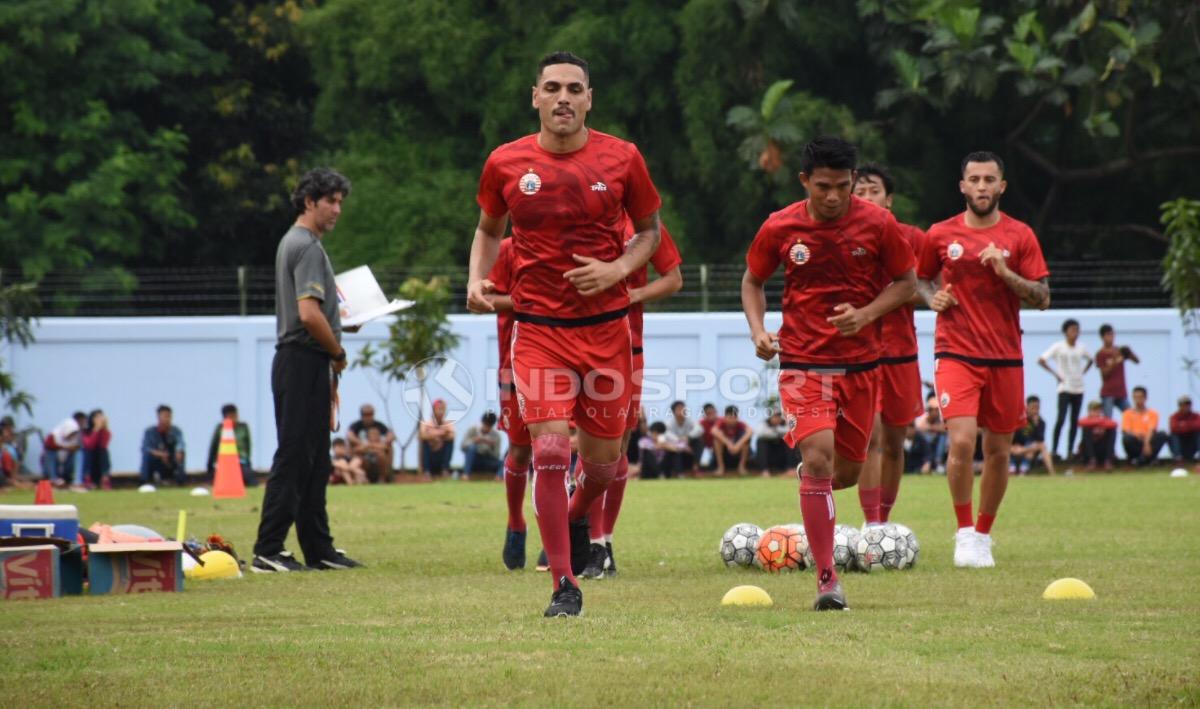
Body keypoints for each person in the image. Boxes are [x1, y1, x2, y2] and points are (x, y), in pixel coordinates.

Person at [466, 51, 663, 617]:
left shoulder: (622, 157)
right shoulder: (505, 163)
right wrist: (478, 279)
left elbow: (649, 234)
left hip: (606, 333)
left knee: (603, 466)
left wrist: (618, 270)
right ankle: (562, 585)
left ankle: (578, 515)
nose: (563, 98)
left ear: (589, 98)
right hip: (539, 333)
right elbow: (486, 230)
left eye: (574, 89)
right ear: (535, 97)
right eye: (552, 88)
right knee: (550, 449)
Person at [742, 136, 916, 611]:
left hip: (862, 367)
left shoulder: (879, 224)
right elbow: (753, 280)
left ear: (854, 182)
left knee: (847, 472)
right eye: (824, 187)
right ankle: (826, 579)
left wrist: (865, 314)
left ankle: (811, 485)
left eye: (843, 186)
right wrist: (758, 330)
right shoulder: (781, 226)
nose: (835, 196)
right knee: (820, 460)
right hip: (803, 363)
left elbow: (907, 283)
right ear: (805, 182)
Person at [917, 150, 1050, 569]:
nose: (981, 187)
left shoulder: (1020, 236)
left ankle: (983, 534)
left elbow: (1043, 298)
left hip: (1006, 357)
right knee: (960, 440)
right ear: (962, 186)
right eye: (973, 179)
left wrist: (1005, 272)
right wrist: (930, 296)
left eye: (989, 180)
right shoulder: (939, 234)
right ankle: (963, 532)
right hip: (955, 352)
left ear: (1001, 187)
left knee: (998, 450)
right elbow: (918, 278)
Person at [251, 167, 361, 573]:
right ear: (309, 201)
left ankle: (319, 549)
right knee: (296, 456)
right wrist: (337, 351)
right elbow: (308, 315)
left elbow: (315, 314)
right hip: (304, 360)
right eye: (330, 201)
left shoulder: (294, 242)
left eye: (340, 202)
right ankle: (268, 549)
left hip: (299, 360)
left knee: (315, 460)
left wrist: (340, 324)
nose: (336, 210)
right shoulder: (308, 246)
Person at [579, 215, 682, 581]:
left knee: (619, 445)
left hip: (628, 347)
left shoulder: (643, 227)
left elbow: (673, 278)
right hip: (578, 343)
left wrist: (634, 294)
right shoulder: (578, 217)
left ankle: (604, 541)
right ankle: (587, 539)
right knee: (587, 444)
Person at [852, 163, 927, 525]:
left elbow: (931, 289)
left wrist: (908, 292)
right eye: (860, 192)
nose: (867, 198)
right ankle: (871, 525)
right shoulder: (842, 238)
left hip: (901, 354)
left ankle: (884, 520)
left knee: (896, 443)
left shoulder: (914, 238)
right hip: (861, 354)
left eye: (874, 191)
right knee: (871, 437)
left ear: (889, 199)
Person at [481, 237, 535, 569]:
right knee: (520, 449)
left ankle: (558, 534)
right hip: (515, 362)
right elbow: (487, 298)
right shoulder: (508, 249)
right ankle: (516, 523)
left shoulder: (572, 241)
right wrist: (530, 302)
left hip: (566, 358)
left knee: (559, 448)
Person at [1038, 318, 1092, 461]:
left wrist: (1082, 373)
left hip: (1078, 387)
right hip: (1065, 387)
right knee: (1061, 418)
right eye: (1072, 330)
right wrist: (1056, 374)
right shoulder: (1059, 346)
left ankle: (1069, 450)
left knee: (1074, 420)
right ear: (1065, 332)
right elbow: (1041, 360)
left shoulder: (1081, 347)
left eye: (1077, 330)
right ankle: (1055, 450)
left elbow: (1090, 360)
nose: (1075, 333)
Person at [206, 404, 256, 487]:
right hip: (224, 463)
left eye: (235, 415)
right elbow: (213, 447)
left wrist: (248, 461)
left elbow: (248, 446)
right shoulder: (220, 428)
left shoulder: (243, 427)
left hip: (241, 462)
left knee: (250, 480)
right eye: (231, 415)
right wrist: (210, 464)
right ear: (225, 417)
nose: (234, 417)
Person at [1095, 324, 1139, 418]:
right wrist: (1115, 360)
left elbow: (1137, 361)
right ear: (1102, 337)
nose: (1111, 337)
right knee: (1108, 421)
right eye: (1108, 335)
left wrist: (1129, 353)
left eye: (1112, 334)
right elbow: (1104, 375)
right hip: (1108, 393)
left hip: (1121, 392)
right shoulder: (1100, 354)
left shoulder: (1120, 350)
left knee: (1131, 416)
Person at [1121, 386, 1169, 466]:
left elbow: (1152, 429)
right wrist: (1137, 434)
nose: (1138, 400)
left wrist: (1146, 443)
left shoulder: (1152, 413)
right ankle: (1143, 459)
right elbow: (1126, 430)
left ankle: (1141, 460)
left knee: (1162, 434)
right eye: (1135, 397)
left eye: (1140, 397)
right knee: (1127, 438)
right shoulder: (1127, 413)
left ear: (1145, 398)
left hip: (1148, 440)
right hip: (1136, 441)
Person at [140, 405, 186, 486]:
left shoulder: (176, 431)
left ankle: (179, 481)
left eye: (169, 416)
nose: (167, 419)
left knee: (182, 454)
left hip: (171, 458)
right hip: (157, 459)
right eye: (165, 416)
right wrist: (160, 454)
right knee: (146, 456)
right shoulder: (150, 432)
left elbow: (180, 444)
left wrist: (178, 451)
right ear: (158, 417)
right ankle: (145, 482)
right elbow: (145, 448)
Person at [348, 405, 395, 483]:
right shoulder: (356, 426)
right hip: (363, 452)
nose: (368, 417)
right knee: (360, 455)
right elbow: (350, 436)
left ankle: (382, 478)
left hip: (377, 450)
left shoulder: (379, 425)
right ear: (361, 415)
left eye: (371, 414)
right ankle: (363, 478)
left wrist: (377, 444)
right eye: (365, 414)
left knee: (382, 454)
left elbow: (391, 436)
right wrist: (362, 444)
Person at [1010, 396, 1055, 476]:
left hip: (1030, 449)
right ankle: (1012, 469)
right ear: (1026, 407)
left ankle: (1052, 473)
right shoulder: (1019, 419)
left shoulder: (1041, 422)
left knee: (1041, 446)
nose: (1035, 410)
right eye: (1033, 407)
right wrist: (1016, 446)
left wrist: (1036, 424)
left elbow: (1040, 440)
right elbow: (1012, 436)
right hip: (1015, 447)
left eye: (1037, 408)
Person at [42, 412, 83, 487]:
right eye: (71, 433)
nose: (72, 436)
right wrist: (66, 448)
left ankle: (77, 481)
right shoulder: (53, 436)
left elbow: (78, 448)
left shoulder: (76, 438)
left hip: (66, 464)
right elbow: (49, 447)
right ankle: (53, 479)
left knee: (79, 454)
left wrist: (72, 449)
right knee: (50, 453)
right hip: (53, 464)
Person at [460, 411, 503, 480]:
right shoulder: (473, 430)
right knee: (472, 448)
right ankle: (466, 475)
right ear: (482, 422)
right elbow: (462, 446)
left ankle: (498, 477)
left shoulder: (496, 436)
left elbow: (496, 456)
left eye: (489, 426)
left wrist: (490, 447)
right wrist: (475, 441)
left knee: (503, 462)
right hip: (474, 460)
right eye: (485, 425)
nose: (487, 428)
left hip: (487, 461)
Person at [418, 399, 456, 478]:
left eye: (443, 409)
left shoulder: (448, 423)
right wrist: (440, 434)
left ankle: (445, 470)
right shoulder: (426, 423)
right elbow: (422, 435)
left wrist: (434, 435)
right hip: (430, 455)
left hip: (441, 455)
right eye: (439, 409)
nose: (441, 412)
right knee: (425, 442)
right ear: (433, 410)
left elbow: (452, 435)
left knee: (450, 442)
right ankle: (426, 471)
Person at [712, 405, 752, 477]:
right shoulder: (721, 423)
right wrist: (729, 444)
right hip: (725, 451)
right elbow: (714, 431)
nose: (732, 420)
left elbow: (750, 432)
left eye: (734, 418)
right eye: (730, 417)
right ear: (725, 417)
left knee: (746, 441)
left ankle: (741, 467)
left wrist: (738, 445)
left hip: (737, 451)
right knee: (717, 441)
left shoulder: (740, 424)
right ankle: (721, 467)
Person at [1078, 401, 1118, 470]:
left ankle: (1108, 461)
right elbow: (1081, 423)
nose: (1096, 413)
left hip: (1102, 449)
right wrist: (1097, 423)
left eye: (1098, 410)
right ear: (1089, 411)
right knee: (1086, 430)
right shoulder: (1086, 420)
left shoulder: (1104, 420)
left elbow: (1114, 424)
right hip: (1089, 450)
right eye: (1094, 410)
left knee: (1112, 431)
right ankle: (1092, 460)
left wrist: (1101, 427)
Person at [914, 396, 948, 474]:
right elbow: (920, 428)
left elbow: (945, 429)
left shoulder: (940, 420)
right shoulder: (923, 419)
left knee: (943, 436)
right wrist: (933, 428)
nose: (937, 412)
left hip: (936, 446)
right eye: (935, 410)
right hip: (925, 447)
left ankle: (937, 462)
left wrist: (930, 428)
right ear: (929, 410)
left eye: (937, 410)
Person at [755, 410, 793, 476]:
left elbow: (791, 432)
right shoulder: (763, 423)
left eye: (778, 416)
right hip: (770, 455)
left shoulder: (787, 423)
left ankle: (791, 469)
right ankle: (765, 471)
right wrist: (778, 433)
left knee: (790, 440)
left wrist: (775, 430)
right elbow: (760, 433)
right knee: (761, 441)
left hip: (782, 455)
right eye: (774, 416)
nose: (776, 419)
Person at [663, 401, 697, 474]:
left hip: (688, 446)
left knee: (698, 441)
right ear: (673, 412)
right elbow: (667, 435)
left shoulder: (690, 421)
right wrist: (681, 442)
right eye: (679, 409)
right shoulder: (669, 423)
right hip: (675, 447)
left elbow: (699, 429)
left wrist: (688, 437)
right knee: (675, 449)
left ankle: (696, 467)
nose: (682, 410)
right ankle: (678, 472)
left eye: (683, 408)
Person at [82, 409, 112, 490]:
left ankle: (105, 479)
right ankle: (87, 479)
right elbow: (89, 445)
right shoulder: (85, 431)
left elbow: (103, 444)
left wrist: (104, 428)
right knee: (88, 452)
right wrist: (96, 430)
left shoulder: (105, 432)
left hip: (100, 458)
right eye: (97, 417)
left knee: (103, 451)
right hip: (89, 457)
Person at [1168, 395, 1200, 464]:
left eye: (1187, 404)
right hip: (1179, 445)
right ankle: (1178, 458)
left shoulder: (1196, 416)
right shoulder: (1174, 417)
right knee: (1173, 435)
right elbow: (1174, 428)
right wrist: (1191, 425)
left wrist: (1183, 425)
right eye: (1182, 405)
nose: (1185, 407)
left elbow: (1198, 426)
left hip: (1191, 444)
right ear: (1179, 406)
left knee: (1198, 433)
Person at [692, 403, 719, 470]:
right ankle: (696, 466)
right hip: (705, 448)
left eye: (713, 413)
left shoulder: (722, 421)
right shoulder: (700, 424)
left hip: (720, 449)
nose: (711, 415)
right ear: (704, 415)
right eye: (708, 413)